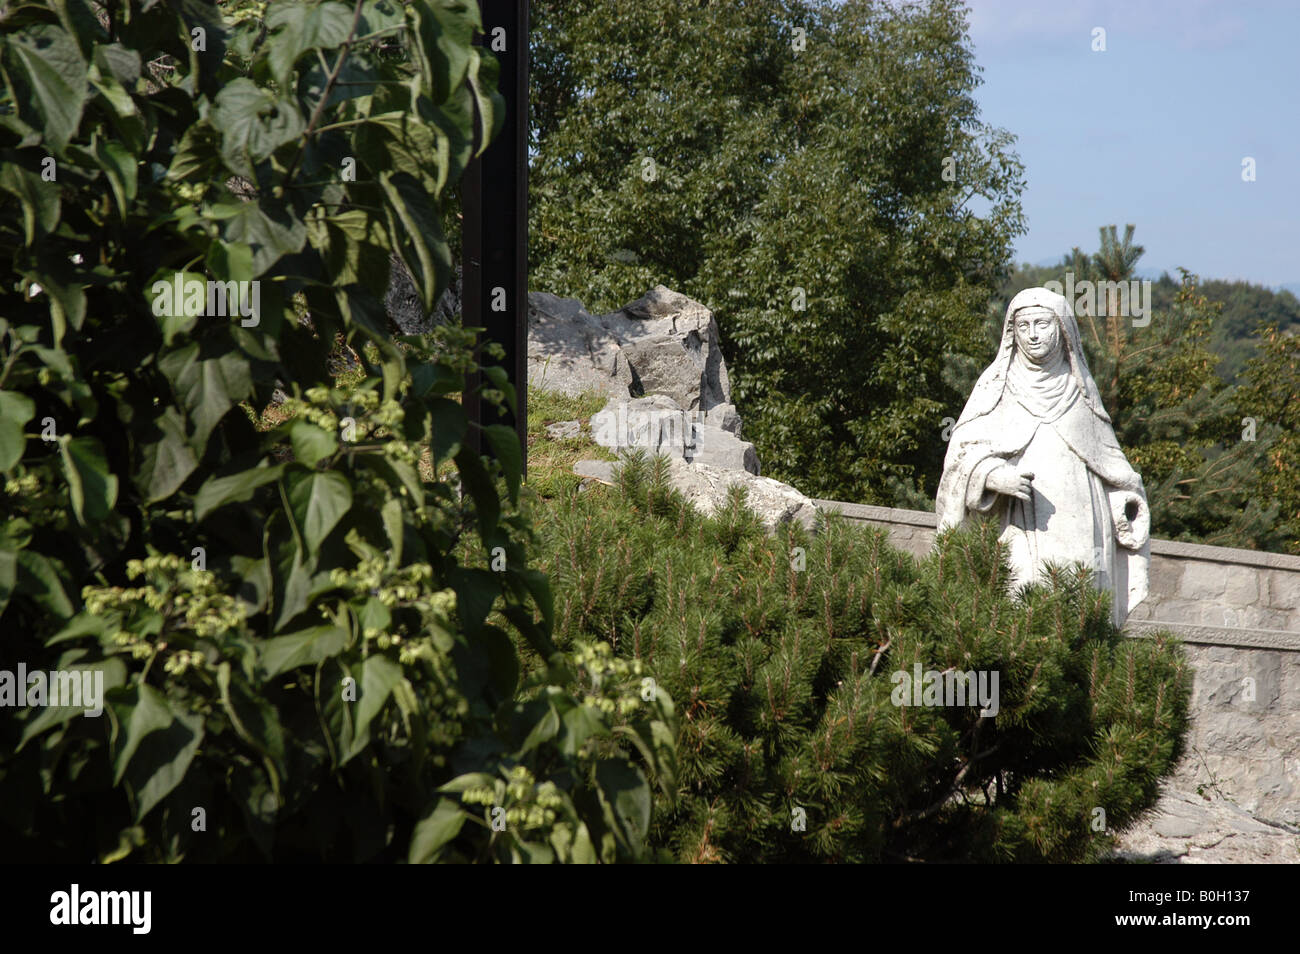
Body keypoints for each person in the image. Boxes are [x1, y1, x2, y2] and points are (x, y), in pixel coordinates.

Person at [936, 286, 1149, 625]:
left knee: (1082, 612)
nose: (1033, 335)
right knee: (1022, 605)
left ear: (1061, 328)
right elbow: (961, 456)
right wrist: (991, 477)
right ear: (1012, 333)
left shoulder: (1081, 389)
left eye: (1042, 324)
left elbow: (1111, 463)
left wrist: (1124, 499)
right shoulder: (996, 386)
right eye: (1024, 326)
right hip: (1021, 521)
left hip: (1083, 522)